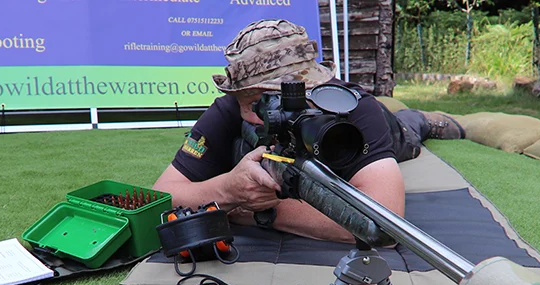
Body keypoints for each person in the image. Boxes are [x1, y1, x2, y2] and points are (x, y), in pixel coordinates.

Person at [153, 19, 464, 243]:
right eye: (257, 104)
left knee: (408, 130)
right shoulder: (229, 111)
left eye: (292, 101)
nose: (277, 116)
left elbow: (384, 222)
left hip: (394, 131)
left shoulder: (354, 110)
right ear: (238, 98)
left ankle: (428, 119)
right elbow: (162, 194)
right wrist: (227, 191)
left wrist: (254, 211)